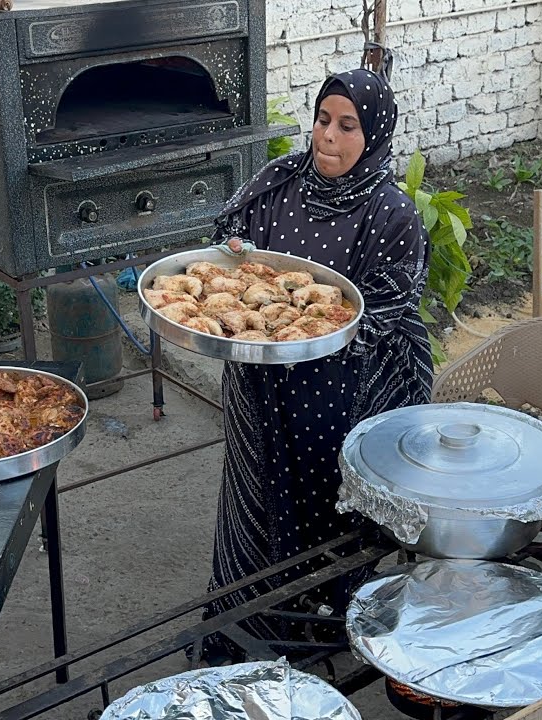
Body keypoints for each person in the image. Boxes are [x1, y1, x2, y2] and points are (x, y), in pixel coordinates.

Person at [199, 68, 433, 662]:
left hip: (344, 385)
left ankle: (319, 628)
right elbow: (231, 236)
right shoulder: (280, 182)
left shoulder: (390, 212)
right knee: (255, 497)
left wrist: (318, 329)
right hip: (260, 376)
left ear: (374, 133)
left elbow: (386, 303)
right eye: (323, 120)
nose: (328, 136)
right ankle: (241, 622)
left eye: (347, 126)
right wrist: (235, 257)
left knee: (322, 504)